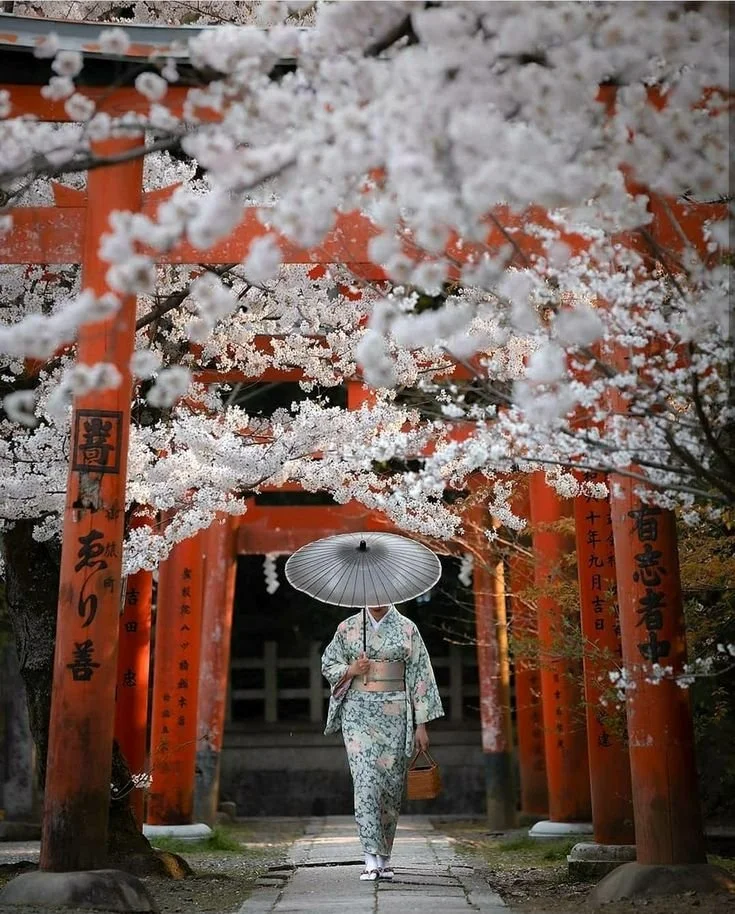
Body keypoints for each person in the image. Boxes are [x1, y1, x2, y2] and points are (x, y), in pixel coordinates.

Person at [321, 603, 444, 882]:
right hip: (358, 713)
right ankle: (369, 858)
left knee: (390, 784)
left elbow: (420, 678)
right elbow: (328, 663)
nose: (377, 601)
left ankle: (385, 857)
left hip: (396, 712)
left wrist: (421, 725)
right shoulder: (348, 628)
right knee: (366, 780)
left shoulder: (407, 628)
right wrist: (351, 669)